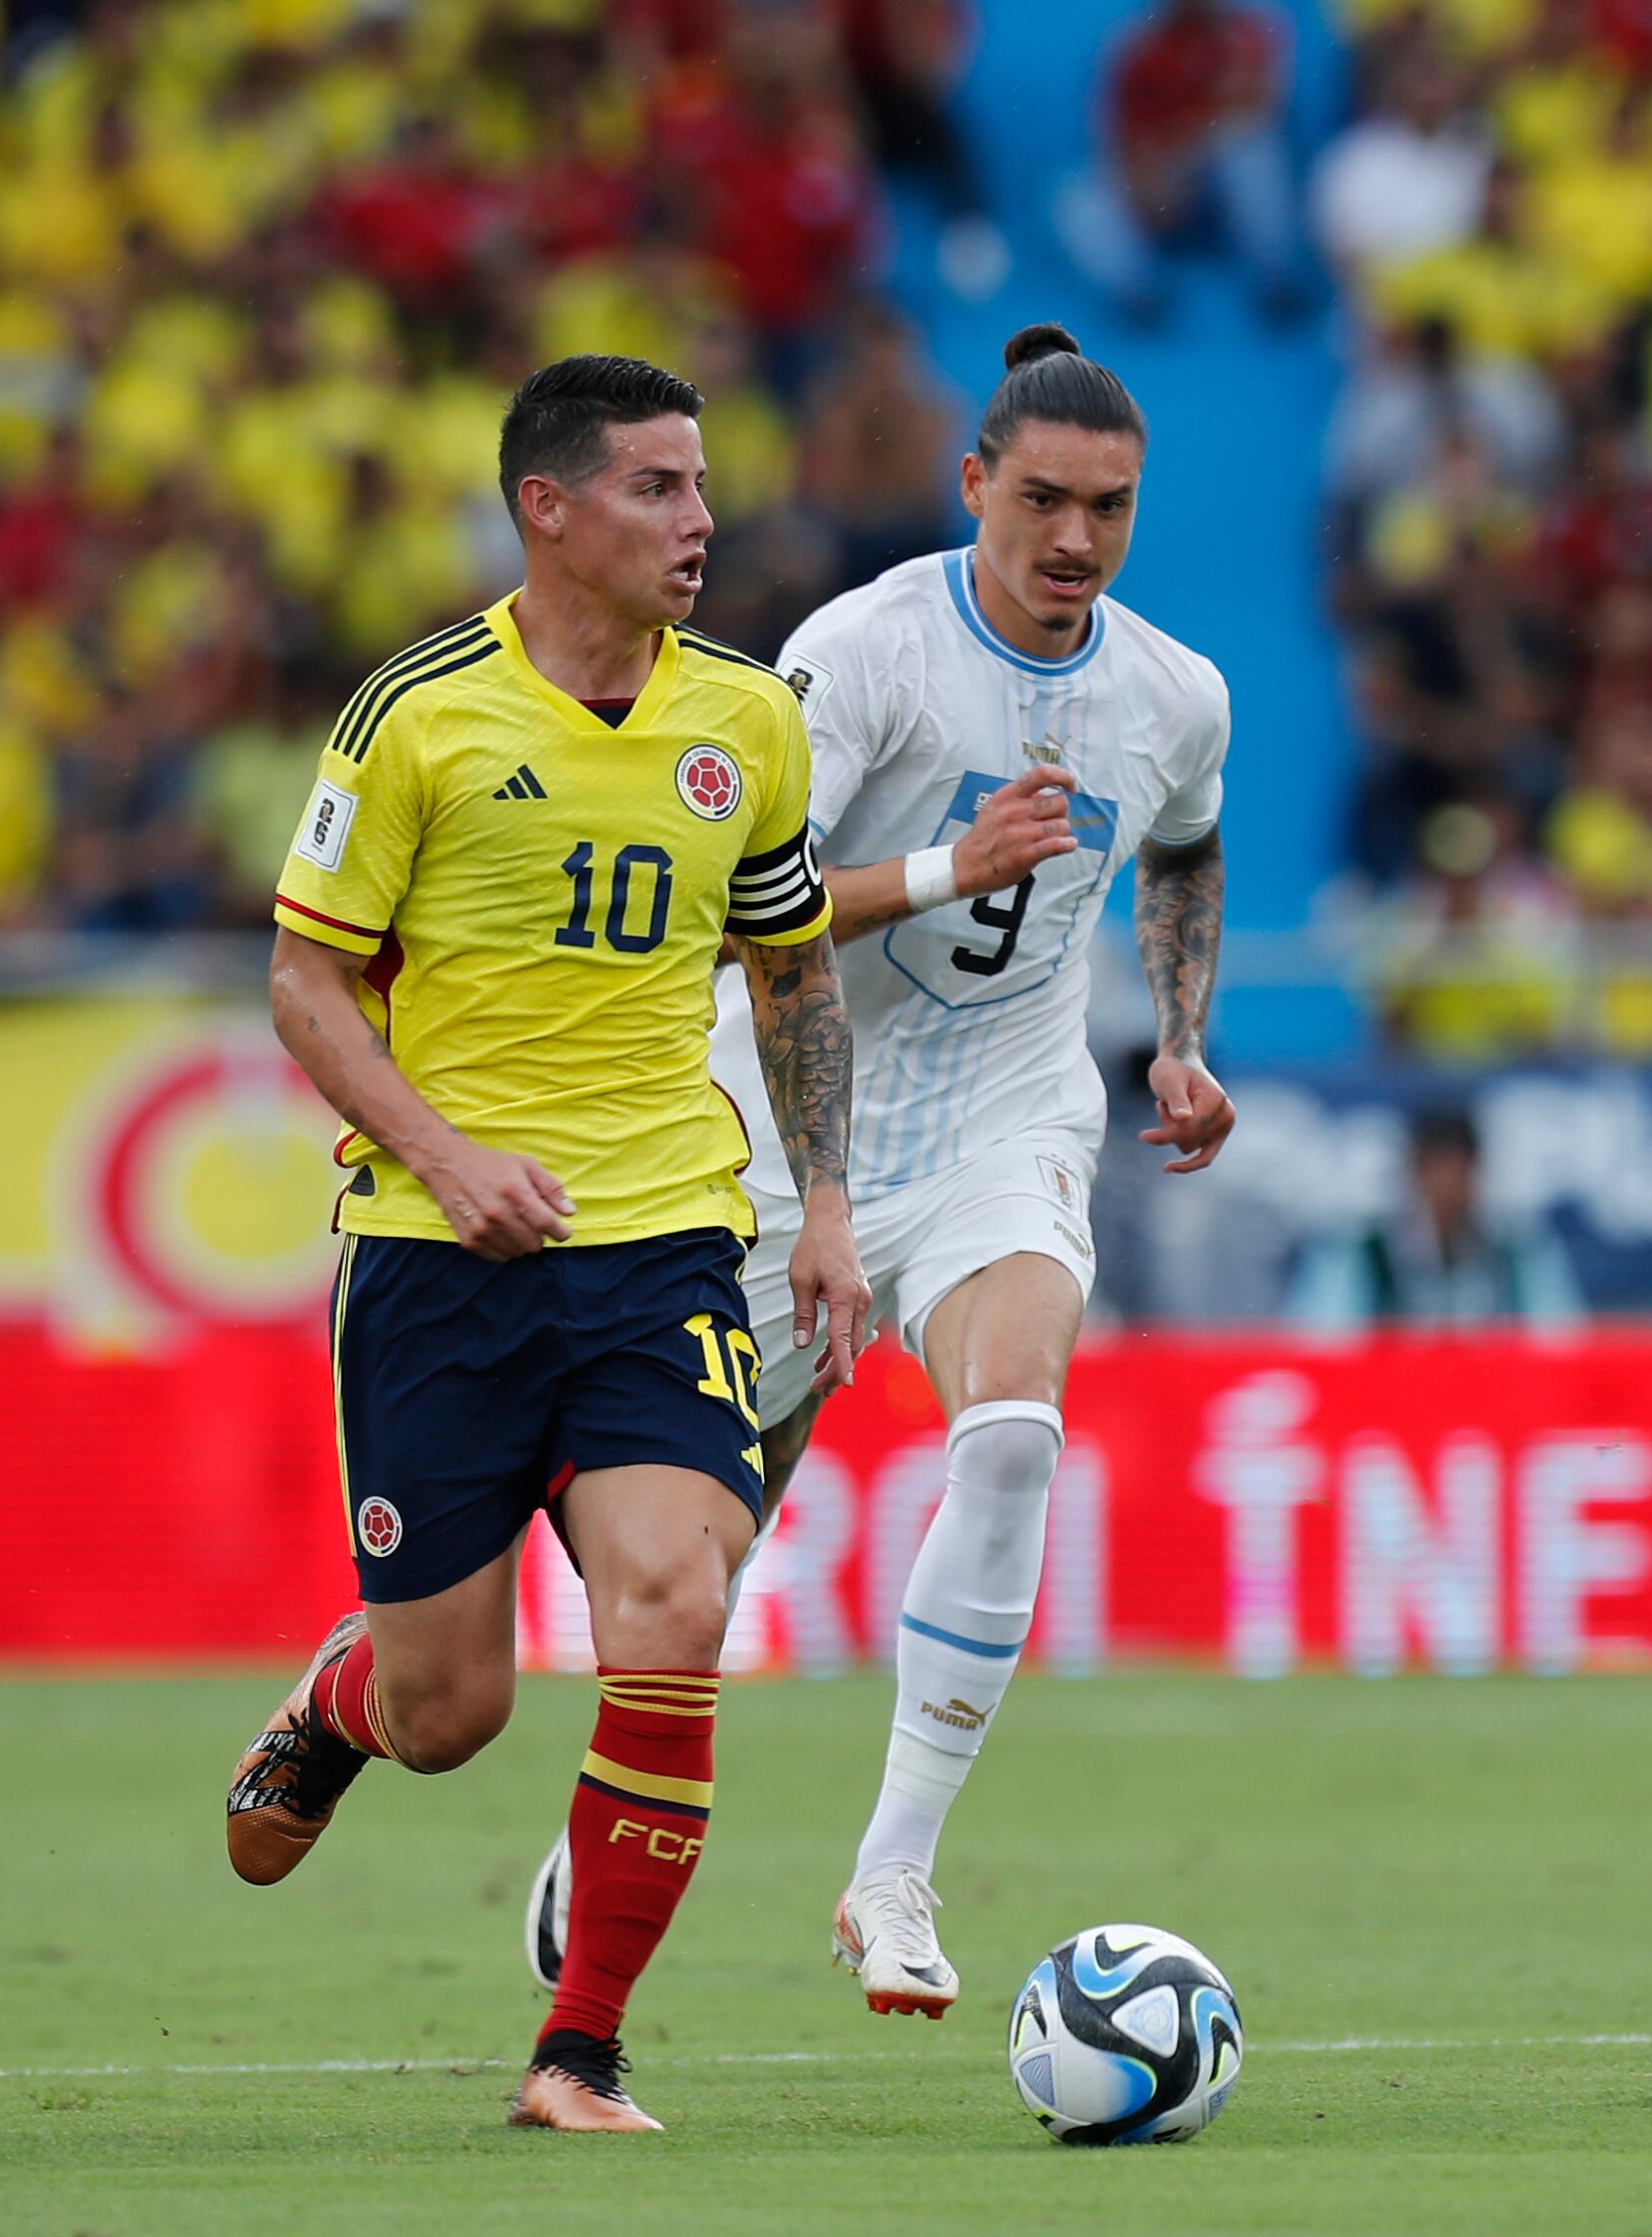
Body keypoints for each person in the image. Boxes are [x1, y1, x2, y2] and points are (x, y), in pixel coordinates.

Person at [518, 323, 1236, 2024]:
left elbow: (1190, 853)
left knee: (1011, 1433)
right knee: (695, 1553)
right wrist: (943, 863)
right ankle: (606, 1803)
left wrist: (1187, 1032)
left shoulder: (1175, 692)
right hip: (784, 1127)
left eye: (1110, 510)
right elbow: (734, 903)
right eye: (1044, 499)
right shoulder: (867, 652)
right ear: (974, 484)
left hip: (1008, 1116)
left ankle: (895, 1869)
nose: (1075, 540)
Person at [224, 355, 873, 2133]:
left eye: (701, 483)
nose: (701, 519)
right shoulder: (415, 713)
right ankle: (351, 1697)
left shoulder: (746, 719)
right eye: (659, 487)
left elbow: (796, 968)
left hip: (665, 1231)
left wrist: (818, 1201)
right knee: (454, 1710)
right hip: (439, 1257)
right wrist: (442, 1150)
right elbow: (302, 980)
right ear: (551, 509)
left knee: (674, 1593)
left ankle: (577, 2052)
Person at [1056, 0, 1302, 321]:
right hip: (1167, 176)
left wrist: (1195, 133)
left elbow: (1264, 110)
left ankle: (1277, 279)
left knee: (1250, 151)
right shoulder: (1135, 43)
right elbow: (1116, 139)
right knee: (1076, 198)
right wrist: (1145, 175)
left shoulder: (1254, 26)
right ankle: (1140, 293)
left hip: (1220, 169)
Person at [1287, 1103, 1586, 1336]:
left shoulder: (1519, 1251)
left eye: (1460, 1171)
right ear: (1413, 1172)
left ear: (1477, 1174)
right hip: (1383, 1402)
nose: (1447, 1186)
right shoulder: (1359, 1251)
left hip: (1495, 1401)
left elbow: (1559, 1340)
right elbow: (1319, 1344)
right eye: (1436, 1170)